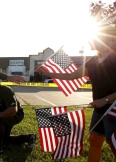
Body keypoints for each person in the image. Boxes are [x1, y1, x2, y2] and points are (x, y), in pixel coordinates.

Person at [37, 24, 116, 162]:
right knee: (94, 140)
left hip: (113, 109)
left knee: (113, 143)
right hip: (99, 109)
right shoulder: (92, 61)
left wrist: (106, 100)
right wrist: (48, 73)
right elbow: (71, 76)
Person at [0, 77, 36, 154]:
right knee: (5, 139)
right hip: (4, 115)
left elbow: (14, 109)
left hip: (17, 114)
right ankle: (29, 137)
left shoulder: (6, 90)